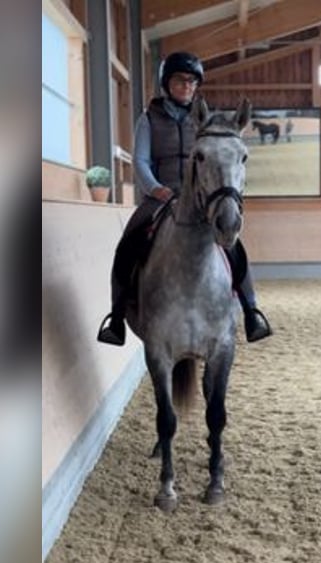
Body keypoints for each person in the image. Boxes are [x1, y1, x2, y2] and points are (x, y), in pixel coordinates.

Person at [97, 51, 272, 347]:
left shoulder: (205, 120)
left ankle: (251, 311)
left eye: (192, 82)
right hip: (160, 195)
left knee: (234, 245)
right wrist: (156, 189)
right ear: (167, 83)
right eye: (181, 80)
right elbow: (140, 161)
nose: (187, 86)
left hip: (201, 199)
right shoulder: (148, 119)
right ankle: (116, 318)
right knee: (127, 244)